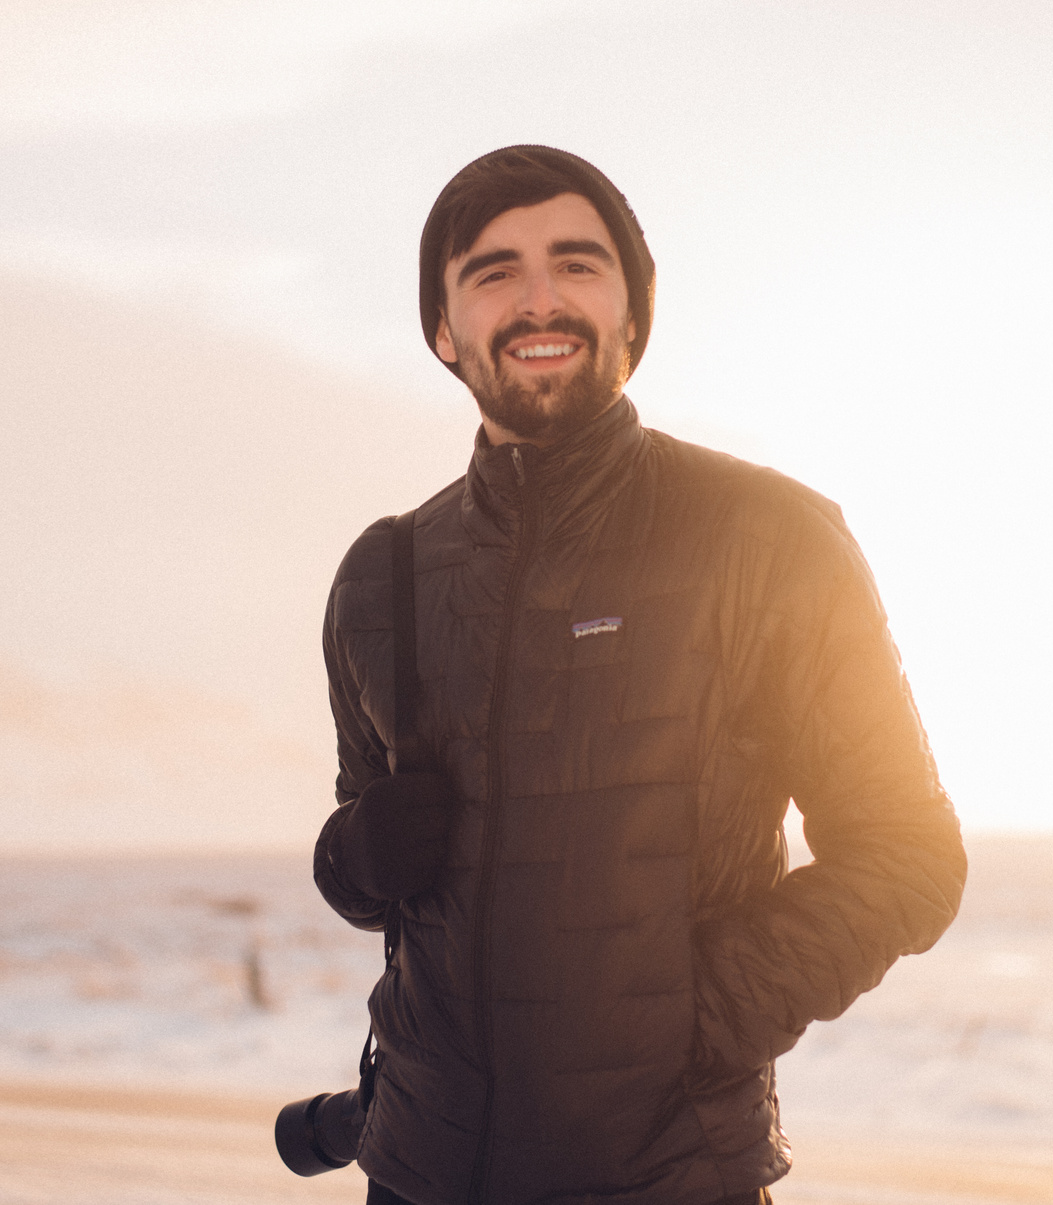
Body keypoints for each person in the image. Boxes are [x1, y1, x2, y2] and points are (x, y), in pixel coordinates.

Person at [314, 145, 968, 1205]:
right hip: (419, 1173)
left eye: (577, 264)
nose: (539, 299)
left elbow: (909, 853)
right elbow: (374, 877)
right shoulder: (381, 574)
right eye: (493, 272)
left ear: (633, 312)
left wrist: (690, 1022)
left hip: (668, 1175)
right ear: (443, 327)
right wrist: (352, 855)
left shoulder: (767, 538)